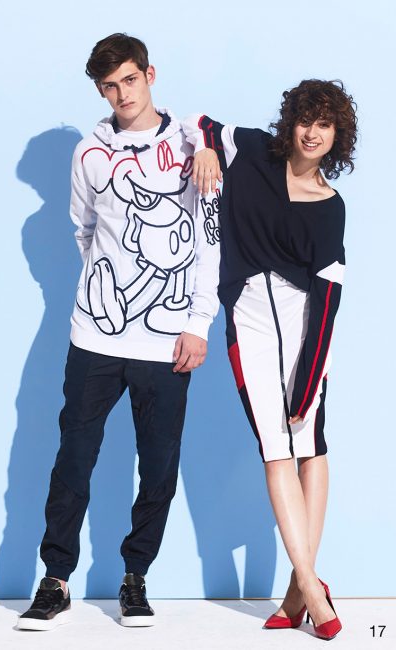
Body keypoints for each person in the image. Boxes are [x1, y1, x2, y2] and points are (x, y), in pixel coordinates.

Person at [18, 33, 220, 631]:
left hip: (168, 339)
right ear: (100, 91)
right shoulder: (88, 154)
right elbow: (85, 231)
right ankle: (55, 580)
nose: (122, 94)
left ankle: (136, 578)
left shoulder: (194, 147)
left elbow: (209, 242)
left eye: (130, 79)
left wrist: (197, 323)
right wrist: (111, 287)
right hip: (96, 338)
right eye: (109, 86)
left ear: (150, 75)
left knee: (158, 466)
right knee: (72, 460)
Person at [184, 79, 357, 641]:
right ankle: (311, 585)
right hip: (250, 317)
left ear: (337, 135)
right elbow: (199, 124)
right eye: (306, 120)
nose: (312, 133)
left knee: (310, 444)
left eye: (325, 125)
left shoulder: (331, 207)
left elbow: (328, 301)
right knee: (274, 447)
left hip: (305, 328)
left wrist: (307, 383)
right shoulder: (255, 149)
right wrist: (206, 148)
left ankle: (298, 589)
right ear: (292, 122)